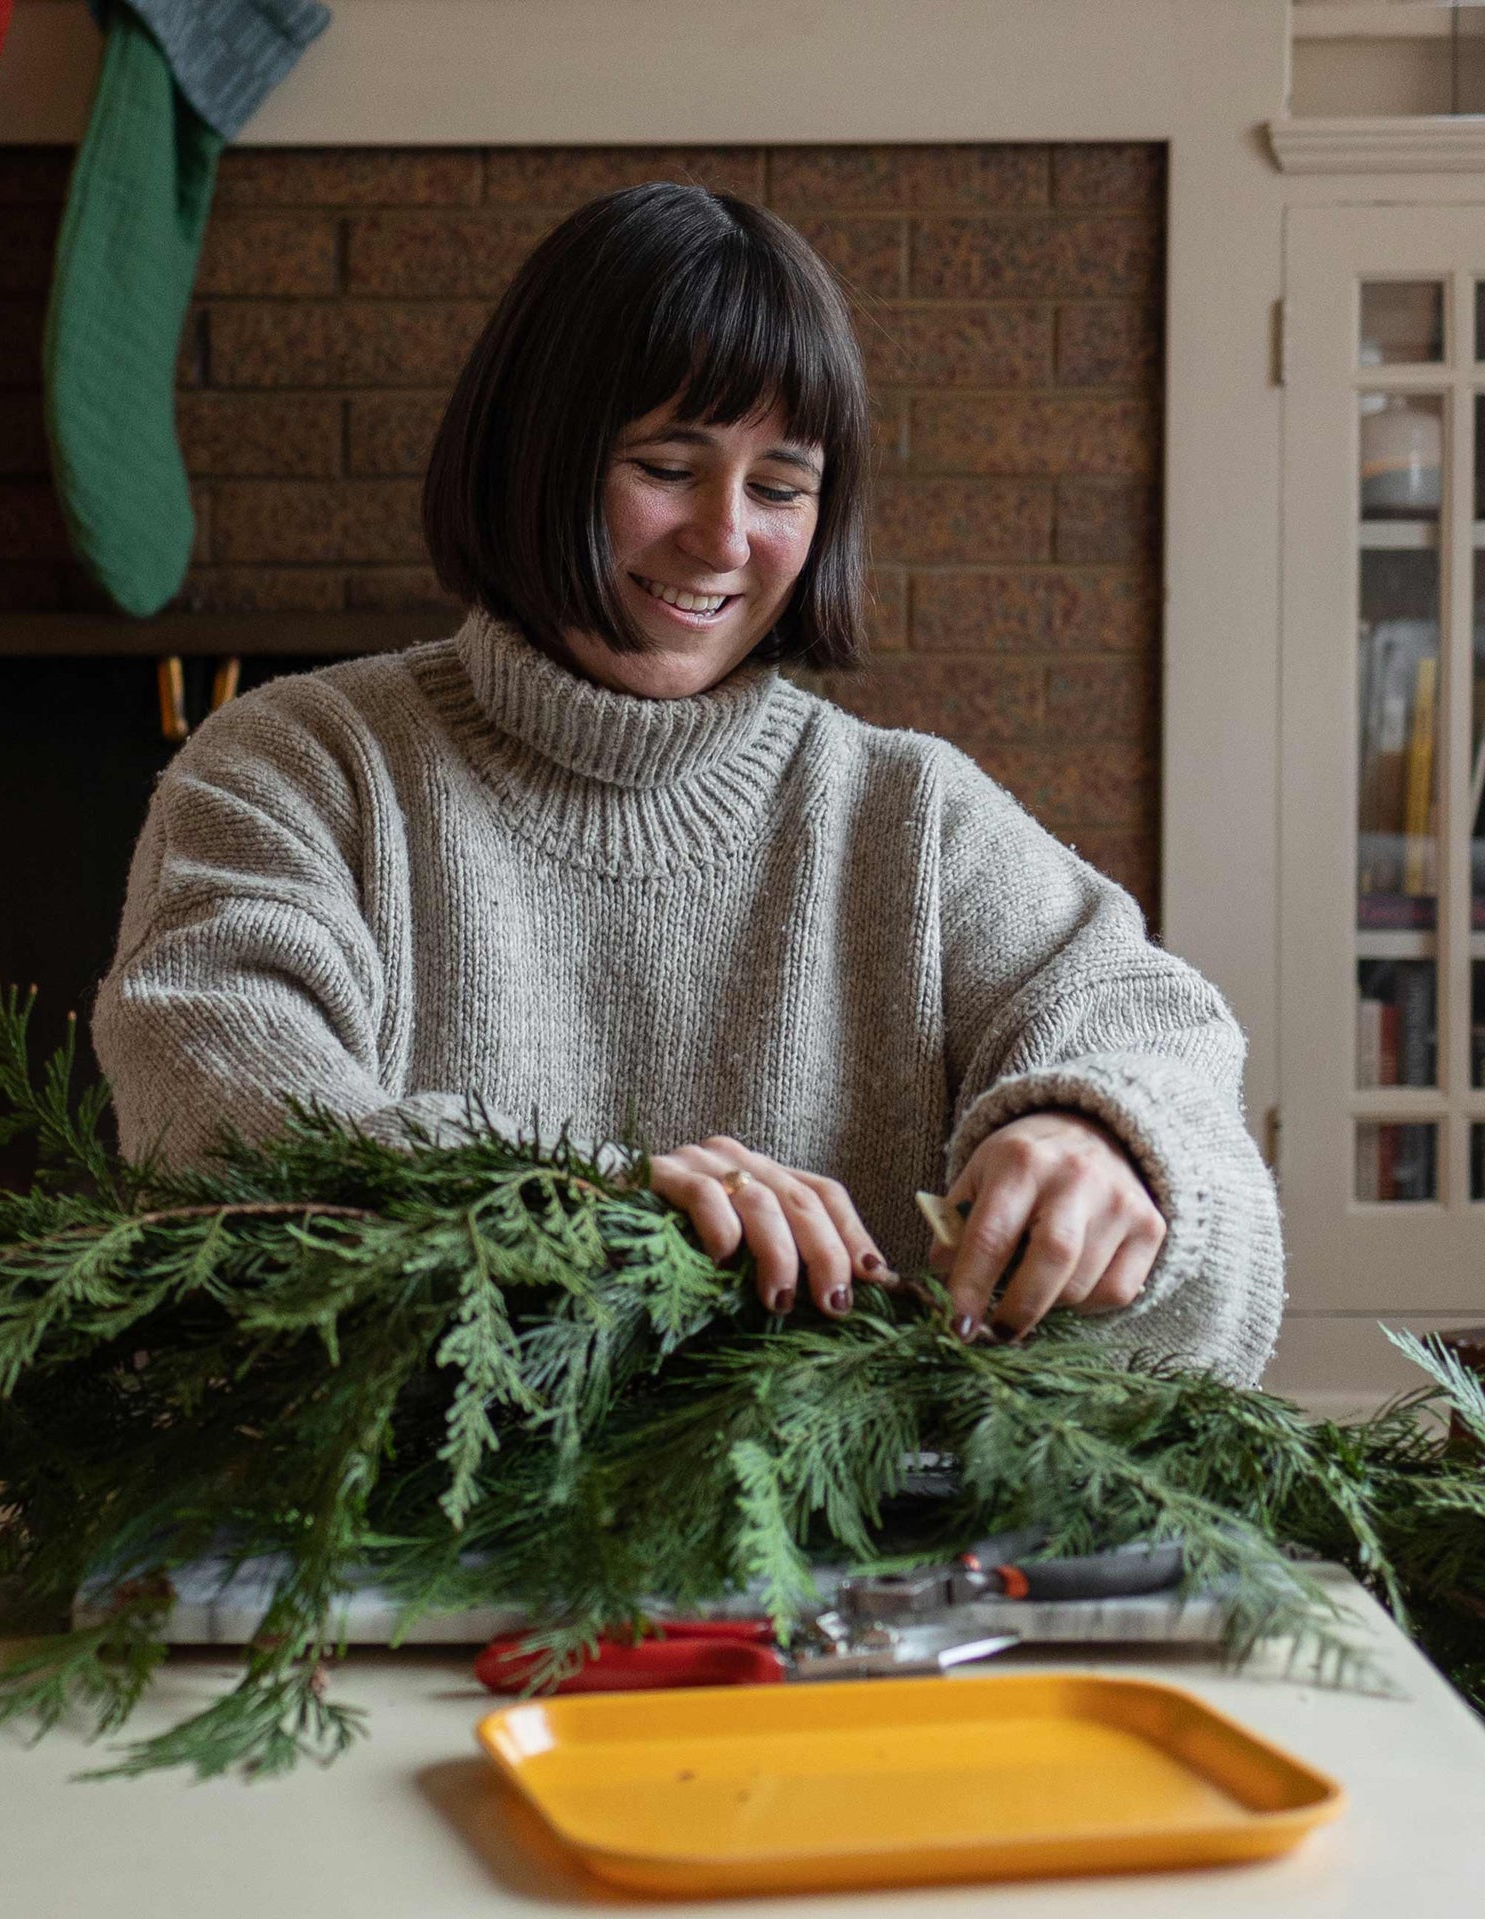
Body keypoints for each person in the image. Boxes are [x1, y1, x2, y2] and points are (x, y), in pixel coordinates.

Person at [91, 183, 1282, 1387]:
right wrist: (578, 1206)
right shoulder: (292, 766)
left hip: (848, 1558)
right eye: (668, 465)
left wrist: (1104, 1140)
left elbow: (1168, 1067)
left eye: (778, 488)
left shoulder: (912, 820)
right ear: (530, 457)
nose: (723, 540)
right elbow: (219, 1140)